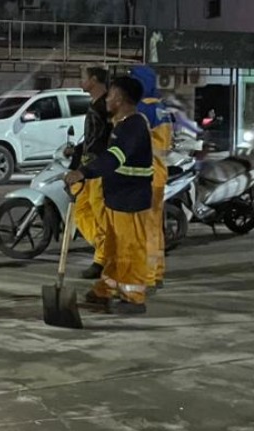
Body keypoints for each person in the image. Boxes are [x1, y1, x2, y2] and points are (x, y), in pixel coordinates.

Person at [64, 76, 154, 315]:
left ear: (121, 99)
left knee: (130, 251)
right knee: (114, 249)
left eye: (111, 94)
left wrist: (84, 172)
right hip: (117, 199)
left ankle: (134, 299)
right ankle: (106, 289)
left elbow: (114, 157)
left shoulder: (134, 126)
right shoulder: (121, 125)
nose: (107, 99)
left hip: (131, 201)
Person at [129, 65, 173, 292]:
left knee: (142, 230)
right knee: (155, 228)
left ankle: (145, 277)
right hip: (159, 175)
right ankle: (156, 273)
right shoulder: (162, 108)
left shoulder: (141, 110)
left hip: (144, 176)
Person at [65, 66, 111, 280]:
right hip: (87, 169)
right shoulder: (95, 105)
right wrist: (76, 156)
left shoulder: (106, 106)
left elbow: (106, 141)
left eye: (83, 77)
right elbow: (92, 139)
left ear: (93, 80)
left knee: (99, 216)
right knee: (82, 212)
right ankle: (107, 249)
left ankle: (102, 258)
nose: (80, 81)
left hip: (98, 171)